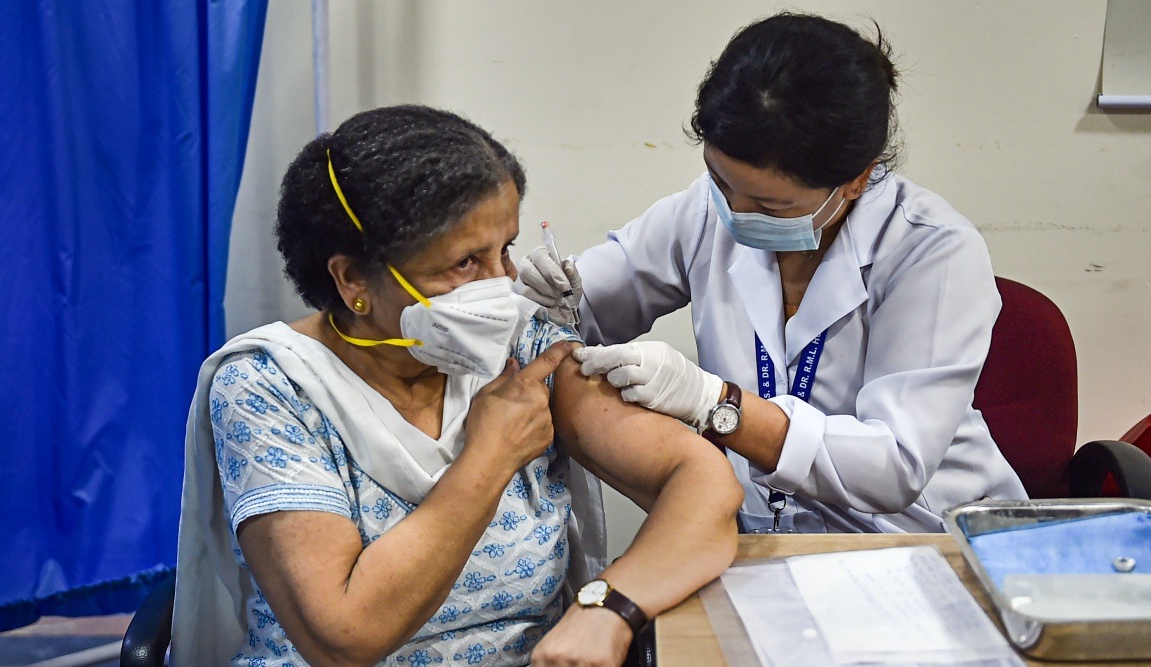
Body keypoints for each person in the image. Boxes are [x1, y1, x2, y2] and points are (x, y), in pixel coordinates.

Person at [174, 105, 742, 666]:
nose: (502, 286)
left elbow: (701, 483)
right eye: (467, 262)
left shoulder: (522, 350)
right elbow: (344, 637)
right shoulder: (269, 386)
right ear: (352, 279)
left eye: (505, 250)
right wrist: (491, 456)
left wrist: (607, 608)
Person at [517, 13, 1026, 535]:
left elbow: (893, 467)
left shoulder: (933, 250)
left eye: (769, 205)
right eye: (721, 182)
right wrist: (553, 302)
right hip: (761, 537)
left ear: (857, 178)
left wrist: (717, 404)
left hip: (920, 535)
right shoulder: (705, 210)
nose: (734, 215)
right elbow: (581, 313)